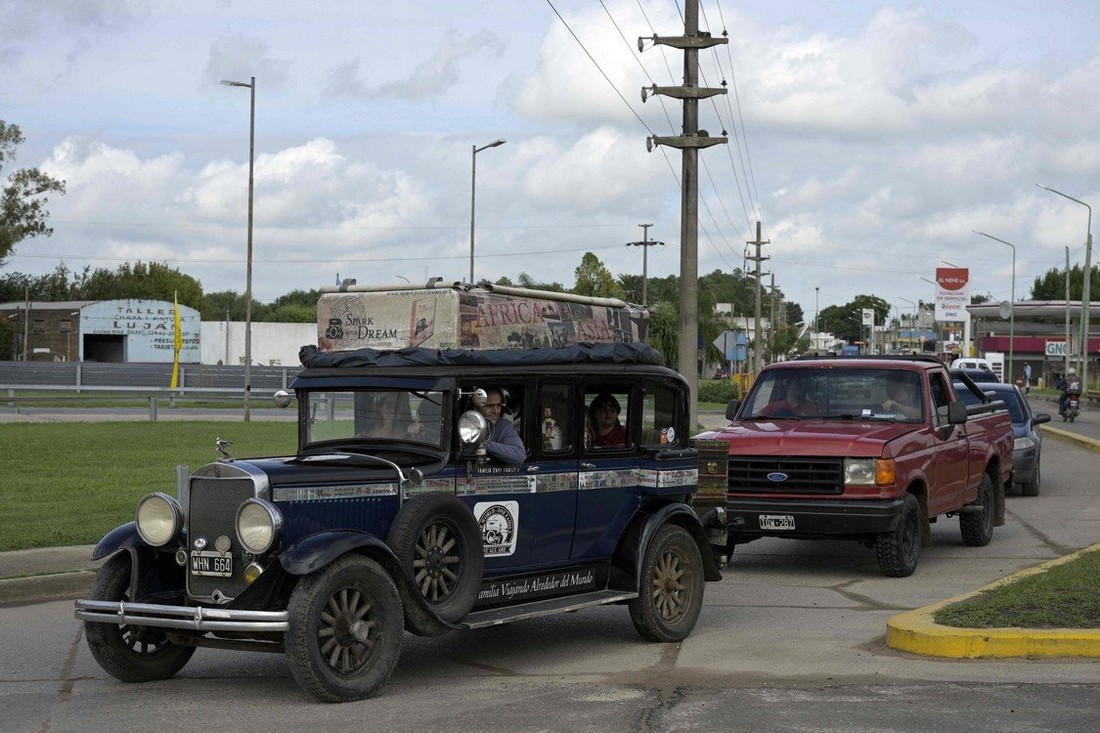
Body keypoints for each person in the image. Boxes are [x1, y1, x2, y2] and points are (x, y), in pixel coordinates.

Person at [478, 388, 526, 465]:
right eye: (489, 406)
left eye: (499, 405)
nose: (496, 411)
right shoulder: (463, 425)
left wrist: (482, 443)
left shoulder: (504, 426)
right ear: (477, 406)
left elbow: (519, 456)